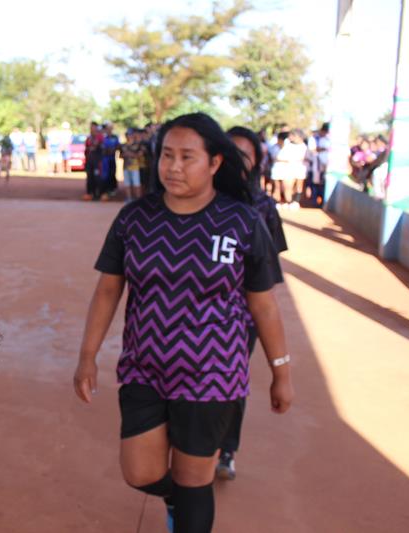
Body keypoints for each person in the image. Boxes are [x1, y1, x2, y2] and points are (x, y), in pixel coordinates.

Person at [74, 113, 294, 533]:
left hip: (212, 373)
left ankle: (189, 504)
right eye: (167, 156)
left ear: (214, 164)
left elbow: (264, 306)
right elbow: (107, 290)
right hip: (144, 366)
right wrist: (88, 357)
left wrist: (281, 372)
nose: (173, 167)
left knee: (195, 481)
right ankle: (181, 499)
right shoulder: (135, 218)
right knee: (139, 472)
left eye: (187, 157)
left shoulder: (242, 222)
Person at [217, 126, 288, 481]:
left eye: (245, 155)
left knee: (231, 382)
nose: (237, 161)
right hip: (196, 313)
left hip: (241, 318)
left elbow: (269, 275)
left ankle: (226, 449)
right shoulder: (201, 198)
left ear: (257, 162)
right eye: (231, 152)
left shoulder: (263, 207)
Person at [120, 128, 144, 202]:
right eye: (127, 135)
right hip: (126, 167)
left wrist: (131, 154)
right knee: (127, 184)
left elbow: (140, 154)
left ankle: (138, 199)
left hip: (135, 167)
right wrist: (124, 155)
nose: (128, 136)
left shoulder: (138, 145)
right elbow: (120, 155)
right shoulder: (123, 145)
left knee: (137, 183)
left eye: (130, 135)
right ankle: (129, 199)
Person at [83, 121, 104, 201]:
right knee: (89, 177)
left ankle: (97, 194)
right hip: (89, 161)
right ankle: (89, 193)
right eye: (91, 127)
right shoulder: (89, 138)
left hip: (97, 161)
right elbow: (87, 149)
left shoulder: (99, 137)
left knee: (97, 177)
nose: (92, 129)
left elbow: (97, 146)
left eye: (93, 127)